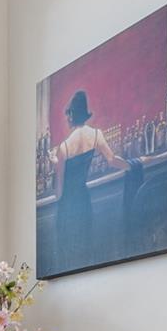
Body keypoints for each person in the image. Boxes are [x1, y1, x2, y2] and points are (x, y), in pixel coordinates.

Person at [48, 89, 128, 242]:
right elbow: (112, 160)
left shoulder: (63, 148)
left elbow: (58, 193)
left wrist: (54, 164)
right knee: (85, 244)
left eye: (68, 114)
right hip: (84, 202)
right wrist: (131, 166)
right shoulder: (96, 135)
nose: (67, 118)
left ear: (71, 115)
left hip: (67, 208)